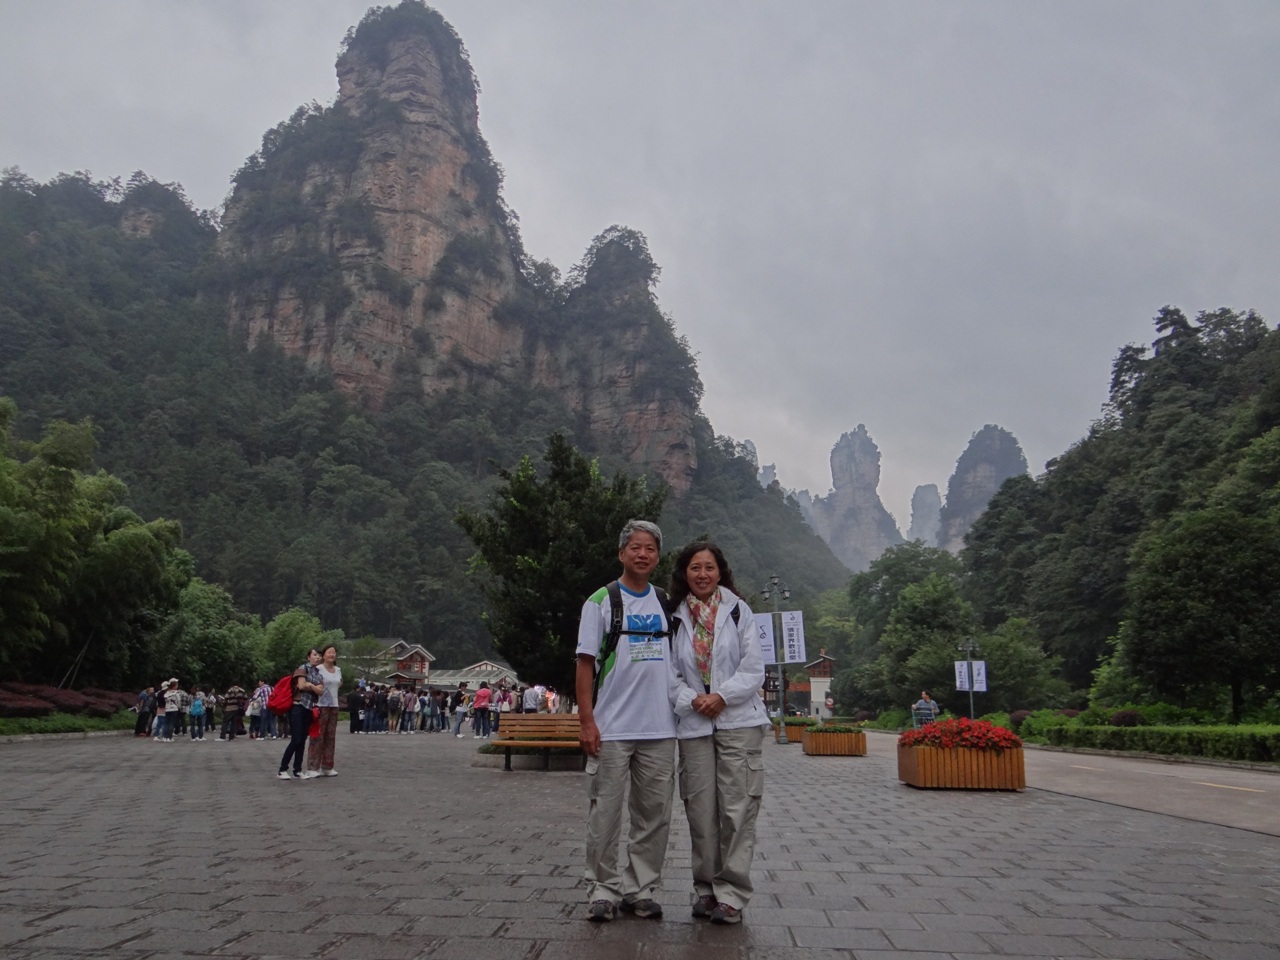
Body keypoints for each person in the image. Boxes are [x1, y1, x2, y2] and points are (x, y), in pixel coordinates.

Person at [575, 519, 679, 923]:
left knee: (654, 814)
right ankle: (602, 889)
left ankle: (641, 889)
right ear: (621, 553)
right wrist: (587, 721)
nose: (642, 554)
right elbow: (586, 663)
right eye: (635, 547)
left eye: (650, 548)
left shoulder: (665, 602)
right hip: (613, 728)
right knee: (605, 813)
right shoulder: (601, 601)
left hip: (660, 728)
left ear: (658, 557)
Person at [667, 540, 767, 925]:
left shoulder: (739, 611)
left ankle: (732, 894)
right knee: (700, 810)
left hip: (738, 722)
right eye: (695, 567)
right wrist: (692, 699)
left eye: (709, 567)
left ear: (720, 572)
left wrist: (722, 696)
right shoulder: (675, 616)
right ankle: (706, 889)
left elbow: (753, 668)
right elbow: (668, 672)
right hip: (694, 725)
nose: (703, 574)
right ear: (684, 573)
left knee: (737, 809)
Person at [278, 649, 323, 780]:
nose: (317, 657)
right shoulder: (303, 668)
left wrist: (311, 685)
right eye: (314, 655)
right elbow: (301, 686)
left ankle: (297, 770)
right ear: (308, 657)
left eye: (319, 655)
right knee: (296, 739)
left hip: (309, 708)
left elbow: (321, 691)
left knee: (302, 740)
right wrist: (313, 687)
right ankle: (282, 769)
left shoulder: (317, 672)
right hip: (297, 707)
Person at [305, 644, 341, 778]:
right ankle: (312, 767)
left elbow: (339, 683)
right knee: (317, 736)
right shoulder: (318, 669)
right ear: (323, 655)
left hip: (334, 706)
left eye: (334, 652)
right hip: (320, 706)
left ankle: (327, 766)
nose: (332, 655)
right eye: (329, 652)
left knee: (330, 737)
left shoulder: (338, 670)